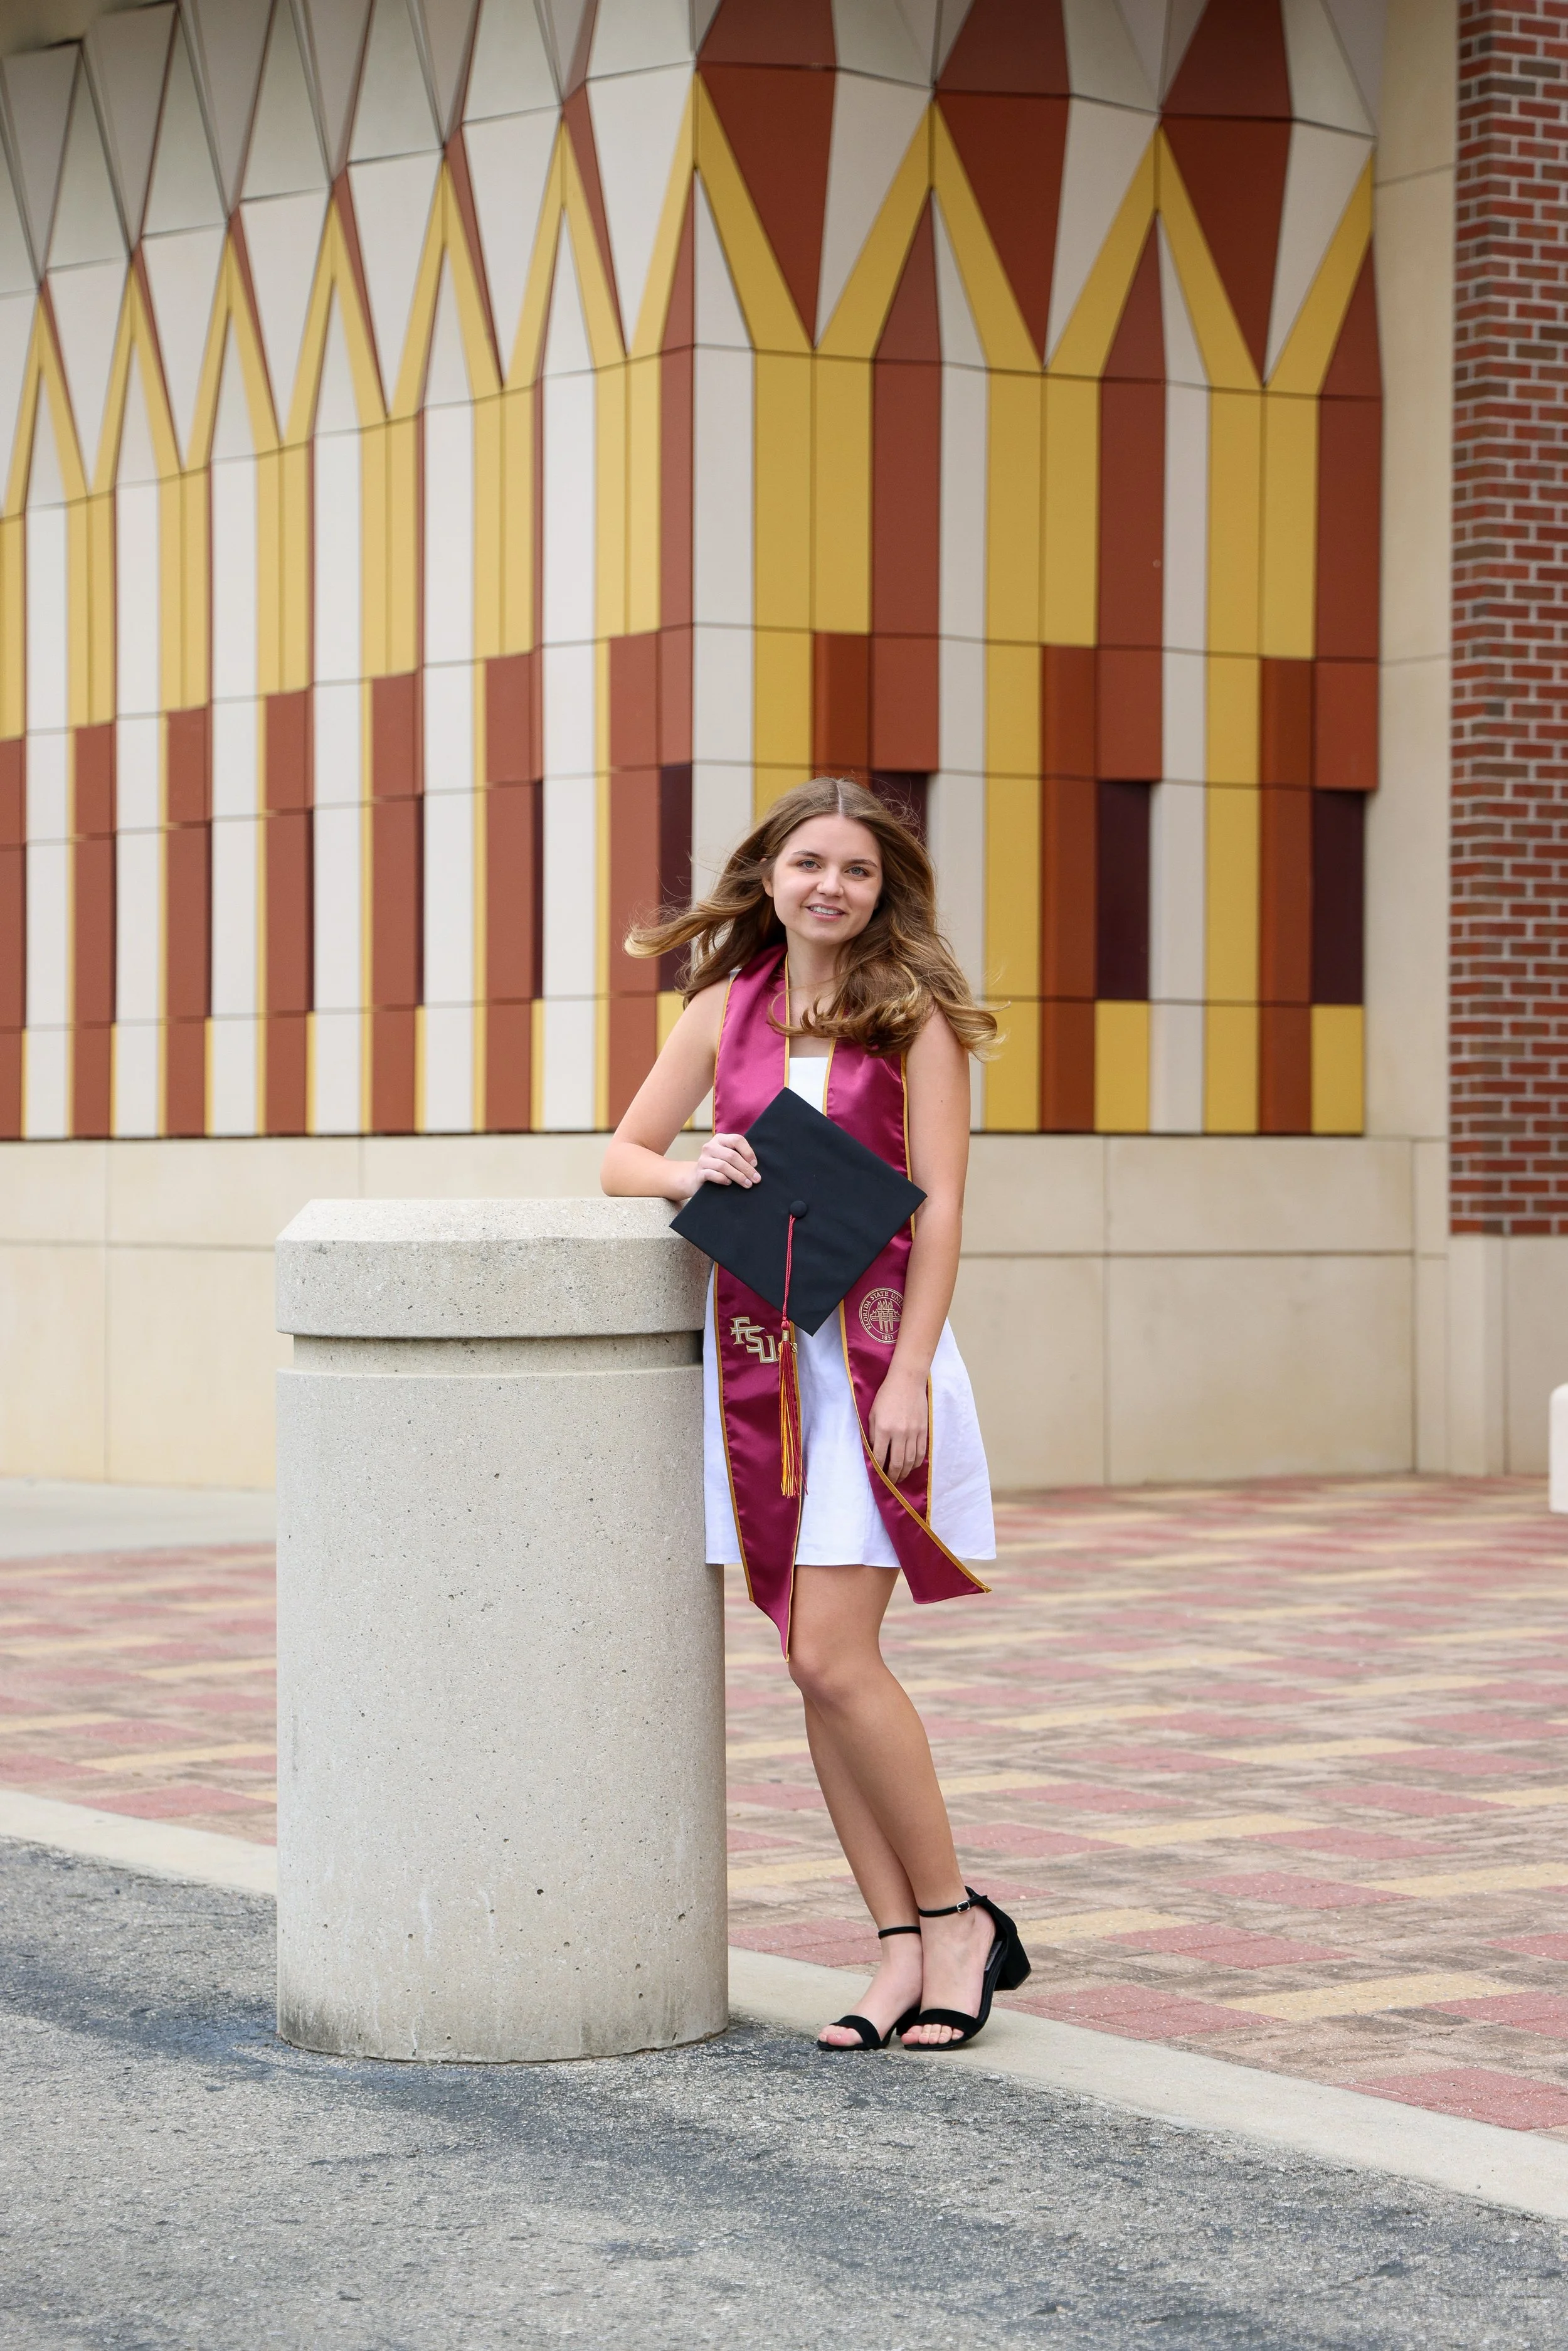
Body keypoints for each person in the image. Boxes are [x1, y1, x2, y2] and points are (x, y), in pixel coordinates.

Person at [601, 776, 1029, 2049]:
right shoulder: (720, 1009)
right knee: (808, 1664)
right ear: (770, 877)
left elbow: (940, 1203)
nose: (829, 885)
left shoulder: (915, 1022)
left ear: (881, 887)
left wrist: (910, 1374)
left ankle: (955, 1920)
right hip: (764, 1371)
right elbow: (619, 1151)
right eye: (807, 863)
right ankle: (897, 1943)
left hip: (872, 1369)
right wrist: (694, 1163)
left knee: (834, 1656)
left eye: (854, 867)